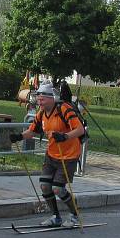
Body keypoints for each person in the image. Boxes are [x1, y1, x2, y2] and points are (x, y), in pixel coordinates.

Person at [9, 82, 86, 227]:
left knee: (58, 188)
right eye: (38, 99)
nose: (39, 101)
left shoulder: (64, 109)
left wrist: (64, 136)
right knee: (45, 186)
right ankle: (55, 217)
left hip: (68, 155)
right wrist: (19, 136)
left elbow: (80, 130)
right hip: (51, 155)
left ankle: (74, 214)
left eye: (42, 99)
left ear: (52, 98)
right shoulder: (41, 114)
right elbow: (32, 131)